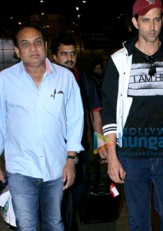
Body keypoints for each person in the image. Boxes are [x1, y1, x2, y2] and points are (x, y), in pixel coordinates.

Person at [101, 0, 163, 231]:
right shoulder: (119, 62)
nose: (151, 27)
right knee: (139, 219)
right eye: (145, 20)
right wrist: (111, 157)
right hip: (131, 153)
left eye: (156, 20)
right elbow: (109, 115)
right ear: (135, 22)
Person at [0, 23, 84, 231]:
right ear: (17, 51)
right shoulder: (5, 80)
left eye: (37, 42)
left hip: (56, 167)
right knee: (27, 225)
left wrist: (71, 159)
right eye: (26, 44)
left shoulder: (64, 77)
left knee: (55, 223)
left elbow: (75, 120)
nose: (33, 48)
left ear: (45, 46)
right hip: (21, 168)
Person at [51, 34, 105, 230]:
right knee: (59, 197)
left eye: (72, 53)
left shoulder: (85, 81)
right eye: (64, 53)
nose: (69, 58)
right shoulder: (46, 80)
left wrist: (102, 146)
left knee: (78, 191)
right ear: (54, 57)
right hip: (52, 150)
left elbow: (96, 116)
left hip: (80, 150)